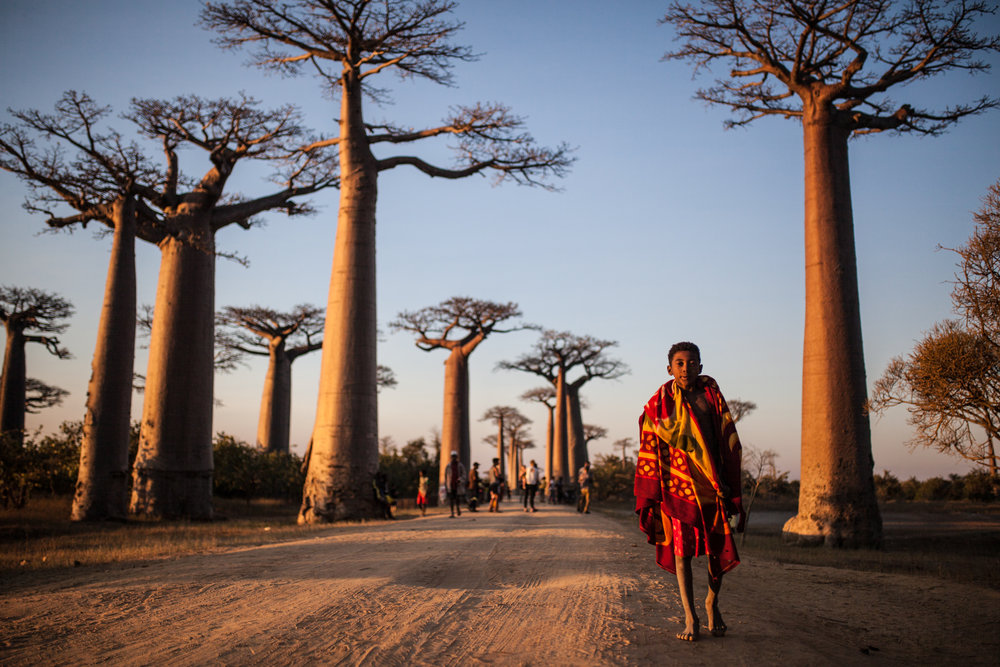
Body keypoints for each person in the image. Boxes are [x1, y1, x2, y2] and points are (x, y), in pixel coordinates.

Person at [634, 341, 745, 642]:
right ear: (669, 368)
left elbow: (726, 439)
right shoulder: (658, 404)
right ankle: (689, 616)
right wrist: (655, 487)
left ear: (701, 366)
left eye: (692, 362)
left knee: (715, 549)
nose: (686, 368)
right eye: (680, 363)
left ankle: (712, 602)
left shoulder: (711, 397)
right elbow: (650, 443)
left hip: (712, 484)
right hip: (677, 486)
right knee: (681, 553)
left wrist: (725, 480)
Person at [444, 451, 467, 518]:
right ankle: (452, 513)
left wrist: (460, 480)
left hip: (457, 484)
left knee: (457, 498)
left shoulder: (460, 465)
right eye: (452, 456)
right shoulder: (448, 466)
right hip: (450, 484)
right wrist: (446, 484)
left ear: (456, 457)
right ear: (451, 457)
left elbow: (464, 474)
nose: (454, 458)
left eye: (455, 456)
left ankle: (458, 508)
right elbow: (446, 476)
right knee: (451, 499)